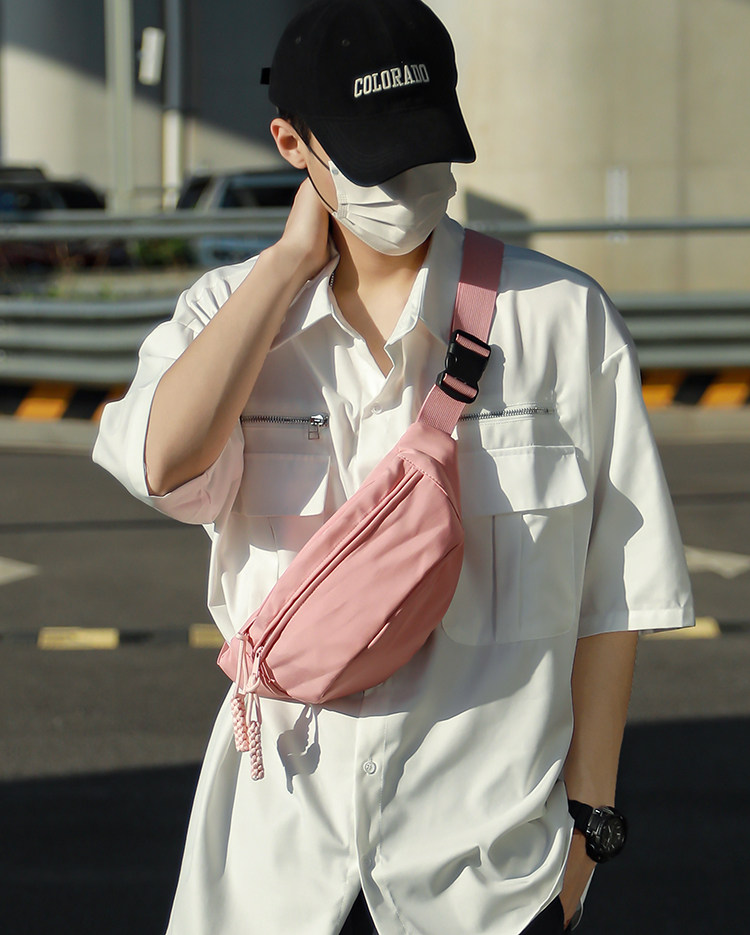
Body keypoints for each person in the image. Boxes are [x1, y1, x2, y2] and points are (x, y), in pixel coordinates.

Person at [92, 1, 694, 933]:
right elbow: (165, 465)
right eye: (377, 158)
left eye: (426, 149)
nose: (409, 183)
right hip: (277, 874)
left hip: (489, 883)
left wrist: (587, 828)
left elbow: (614, 601)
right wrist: (286, 266)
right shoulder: (229, 314)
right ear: (294, 145)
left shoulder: (562, 321)